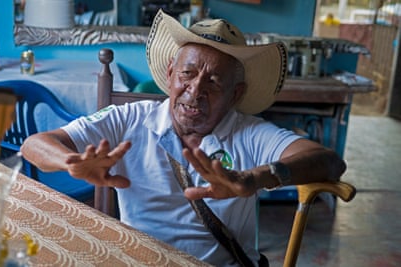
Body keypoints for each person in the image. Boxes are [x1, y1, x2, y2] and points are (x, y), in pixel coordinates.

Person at [21, 10, 346, 267]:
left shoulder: (249, 132)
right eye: (187, 74)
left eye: (214, 81)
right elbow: (33, 145)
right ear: (170, 74)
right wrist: (70, 162)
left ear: (237, 94)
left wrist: (255, 178)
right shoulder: (130, 118)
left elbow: (330, 162)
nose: (195, 90)